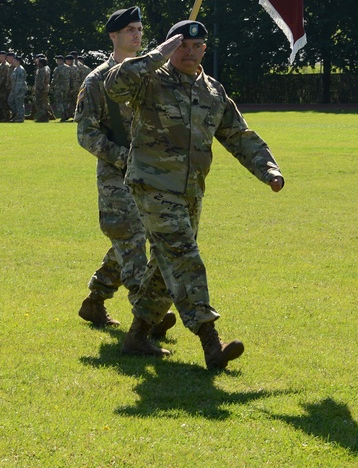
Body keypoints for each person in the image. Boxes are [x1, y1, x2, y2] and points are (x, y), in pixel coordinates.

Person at [105, 19, 285, 370]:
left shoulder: (213, 91)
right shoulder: (149, 80)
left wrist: (269, 170)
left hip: (190, 191)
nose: (189, 52)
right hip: (152, 186)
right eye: (182, 46)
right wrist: (157, 54)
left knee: (164, 263)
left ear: (205, 48)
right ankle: (210, 342)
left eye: (197, 46)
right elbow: (115, 85)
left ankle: (138, 335)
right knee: (185, 257)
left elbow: (238, 135)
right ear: (171, 46)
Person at [75, 6, 175, 356]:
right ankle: (145, 320)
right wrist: (122, 157)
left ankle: (96, 298)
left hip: (152, 173)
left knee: (129, 239)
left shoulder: (150, 75)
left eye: (139, 29)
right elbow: (86, 134)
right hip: (116, 175)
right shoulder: (96, 81)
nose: (137, 35)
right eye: (130, 29)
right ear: (113, 36)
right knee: (131, 239)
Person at [7, 52, 27, 122]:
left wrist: (17, 90)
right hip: (14, 89)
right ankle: (16, 114)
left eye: (15, 60)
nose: (13, 62)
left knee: (19, 103)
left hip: (19, 89)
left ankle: (21, 117)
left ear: (18, 62)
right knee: (10, 101)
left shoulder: (20, 69)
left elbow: (20, 81)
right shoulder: (15, 69)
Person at [33, 55, 51, 122]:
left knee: (39, 103)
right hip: (44, 88)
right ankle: (46, 114)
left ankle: (43, 116)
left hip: (41, 89)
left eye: (38, 62)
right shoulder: (42, 69)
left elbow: (41, 81)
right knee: (44, 102)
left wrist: (38, 89)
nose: (36, 62)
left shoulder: (42, 70)